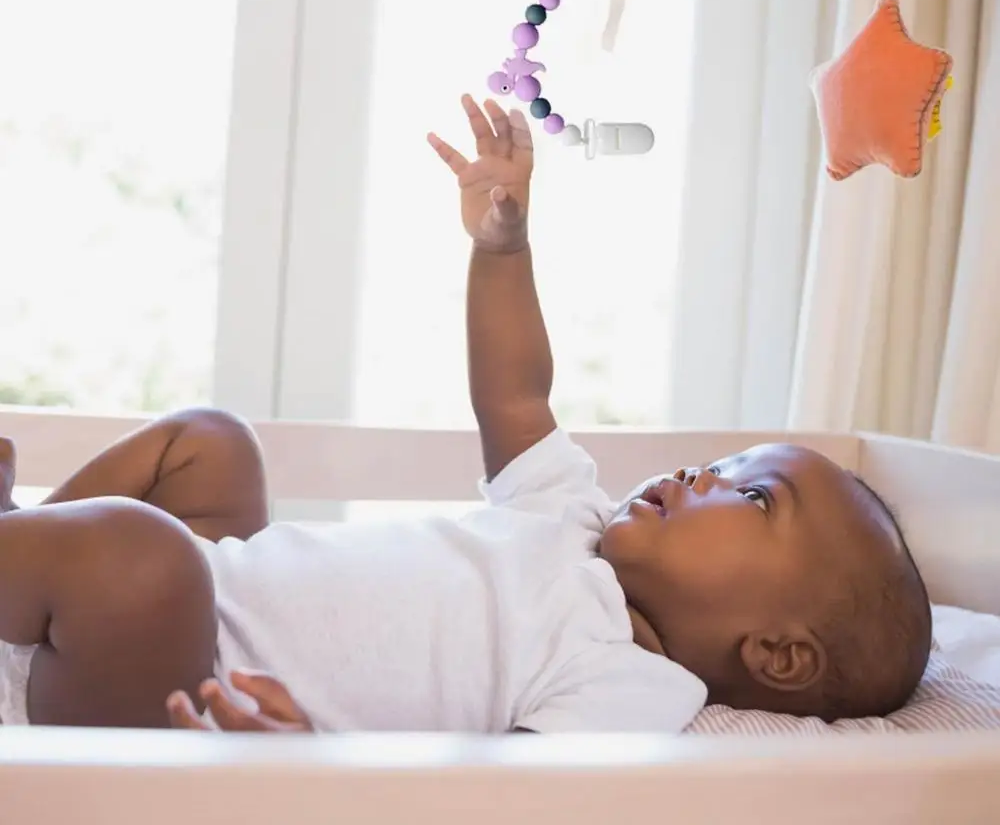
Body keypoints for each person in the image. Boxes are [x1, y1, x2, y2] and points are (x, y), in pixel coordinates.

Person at [0, 98, 931, 731]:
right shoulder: (571, 515)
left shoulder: (631, 690)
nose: (702, 474)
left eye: (753, 497)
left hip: (169, 696)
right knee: (211, 444)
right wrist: (501, 248)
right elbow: (516, 394)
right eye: (726, 464)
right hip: (192, 597)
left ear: (777, 654)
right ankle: (27, 551)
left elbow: (482, 802)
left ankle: (32, 562)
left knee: (141, 559)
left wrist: (300, 770)